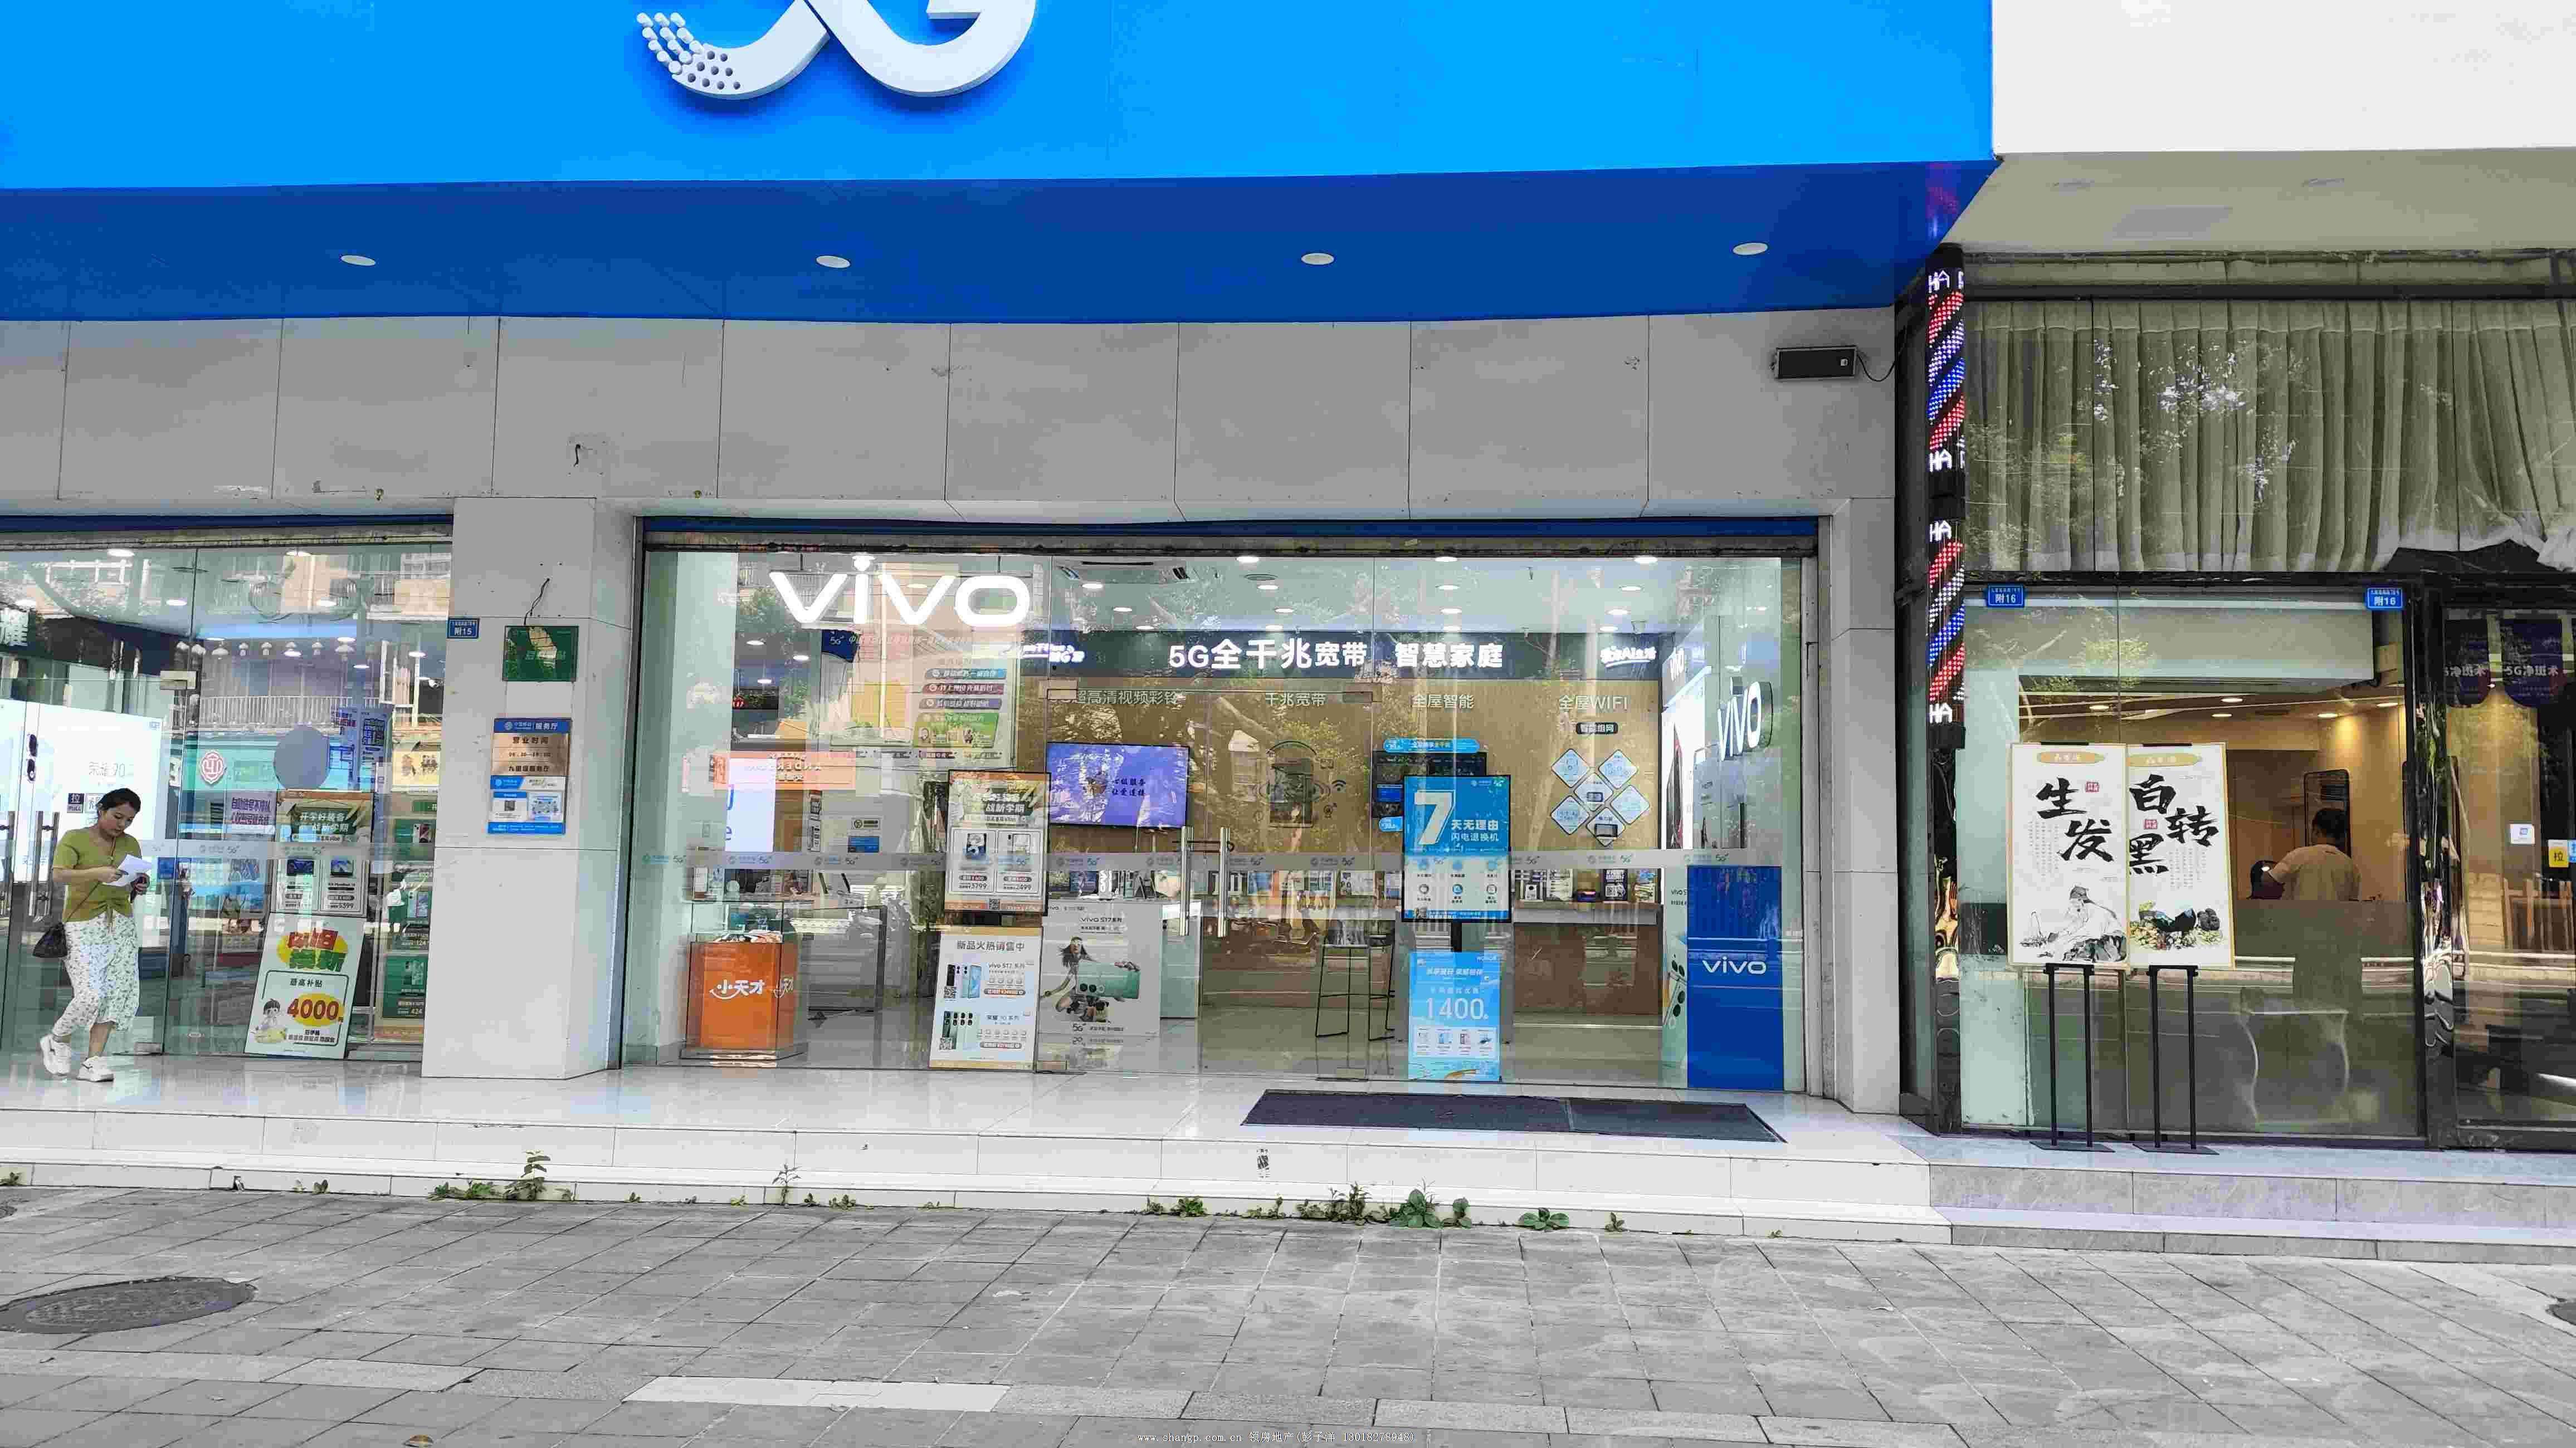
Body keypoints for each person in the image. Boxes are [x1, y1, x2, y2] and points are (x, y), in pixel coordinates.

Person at [40, 787, 151, 1082]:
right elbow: (59, 875)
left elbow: (133, 879)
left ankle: (93, 1060)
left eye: (129, 820)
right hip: (83, 923)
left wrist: (140, 884)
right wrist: (96, 873)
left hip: (121, 924)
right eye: (117, 816)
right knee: (91, 994)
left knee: (116, 994)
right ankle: (58, 1038)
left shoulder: (130, 843)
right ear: (102, 810)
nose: (122, 825)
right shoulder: (75, 838)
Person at [2267, 807, 2363, 902]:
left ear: (2317, 831)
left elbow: (2268, 882)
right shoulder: (2350, 866)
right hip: (2338, 913)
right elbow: (2352, 903)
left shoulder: (2299, 855)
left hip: (2302, 912)